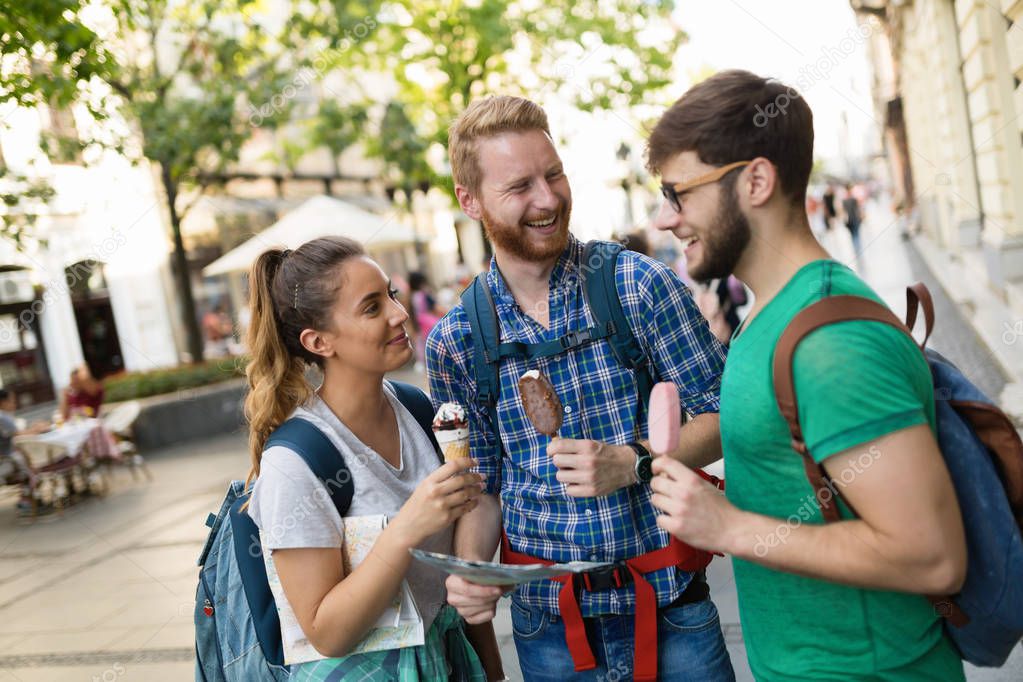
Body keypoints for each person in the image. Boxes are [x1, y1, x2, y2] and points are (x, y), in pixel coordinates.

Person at [645, 69, 966, 681]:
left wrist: (732, 527)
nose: (665, 218)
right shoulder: (766, 315)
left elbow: (932, 557)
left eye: (679, 192)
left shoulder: (830, 341)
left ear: (756, 181)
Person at [428, 96, 734, 681]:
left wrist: (635, 461)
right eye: (519, 186)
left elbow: (726, 413)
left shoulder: (636, 286)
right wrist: (472, 572)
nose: (547, 199)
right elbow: (484, 488)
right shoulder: (457, 341)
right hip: (550, 635)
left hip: (671, 610)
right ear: (470, 201)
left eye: (554, 174)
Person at [242, 237, 499, 680]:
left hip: (451, 660)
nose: (399, 314)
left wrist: (494, 674)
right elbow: (326, 633)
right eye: (371, 307)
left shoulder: (418, 411)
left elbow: (459, 578)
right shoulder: (296, 463)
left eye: (392, 295)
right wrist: (405, 531)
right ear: (318, 341)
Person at [408, 272, 447, 369]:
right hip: (430, 325)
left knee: (427, 361)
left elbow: (411, 315)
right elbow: (437, 308)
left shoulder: (410, 297)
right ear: (422, 283)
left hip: (419, 329)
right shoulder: (424, 295)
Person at [842, 182, 863, 255]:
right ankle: (857, 247)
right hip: (854, 219)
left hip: (849, 220)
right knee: (856, 234)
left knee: (853, 234)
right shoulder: (853, 199)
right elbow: (858, 209)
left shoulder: (844, 200)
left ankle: (856, 248)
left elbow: (843, 212)